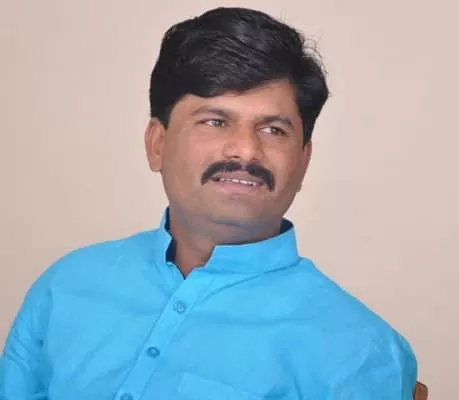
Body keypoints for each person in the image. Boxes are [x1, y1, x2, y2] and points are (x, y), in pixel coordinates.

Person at [0, 7, 417, 400]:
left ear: (303, 161)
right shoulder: (67, 286)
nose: (246, 150)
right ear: (157, 144)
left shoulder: (360, 352)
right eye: (215, 122)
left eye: (273, 130)